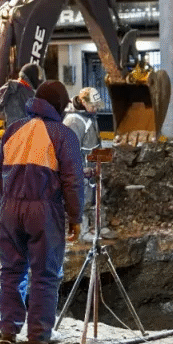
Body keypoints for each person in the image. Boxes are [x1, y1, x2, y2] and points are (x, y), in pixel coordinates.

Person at [0, 80, 84, 344]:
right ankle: (38, 337)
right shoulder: (62, 135)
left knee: (11, 270)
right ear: (58, 105)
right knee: (44, 273)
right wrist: (76, 217)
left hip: (9, 209)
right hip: (43, 211)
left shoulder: (13, 129)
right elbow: (72, 181)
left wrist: (7, 200)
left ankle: (8, 330)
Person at [63, 86, 112, 241]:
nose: (96, 108)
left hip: (92, 166)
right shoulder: (74, 121)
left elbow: (91, 143)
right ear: (83, 102)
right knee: (81, 198)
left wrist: (103, 155)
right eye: (93, 105)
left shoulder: (89, 116)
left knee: (96, 195)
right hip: (82, 169)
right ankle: (82, 232)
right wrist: (80, 169)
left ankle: (98, 226)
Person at [0, 62, 45, 126]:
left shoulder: (10, 89)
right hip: (25, 133)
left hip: (11, 132)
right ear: (33, 77)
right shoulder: (26, 93)